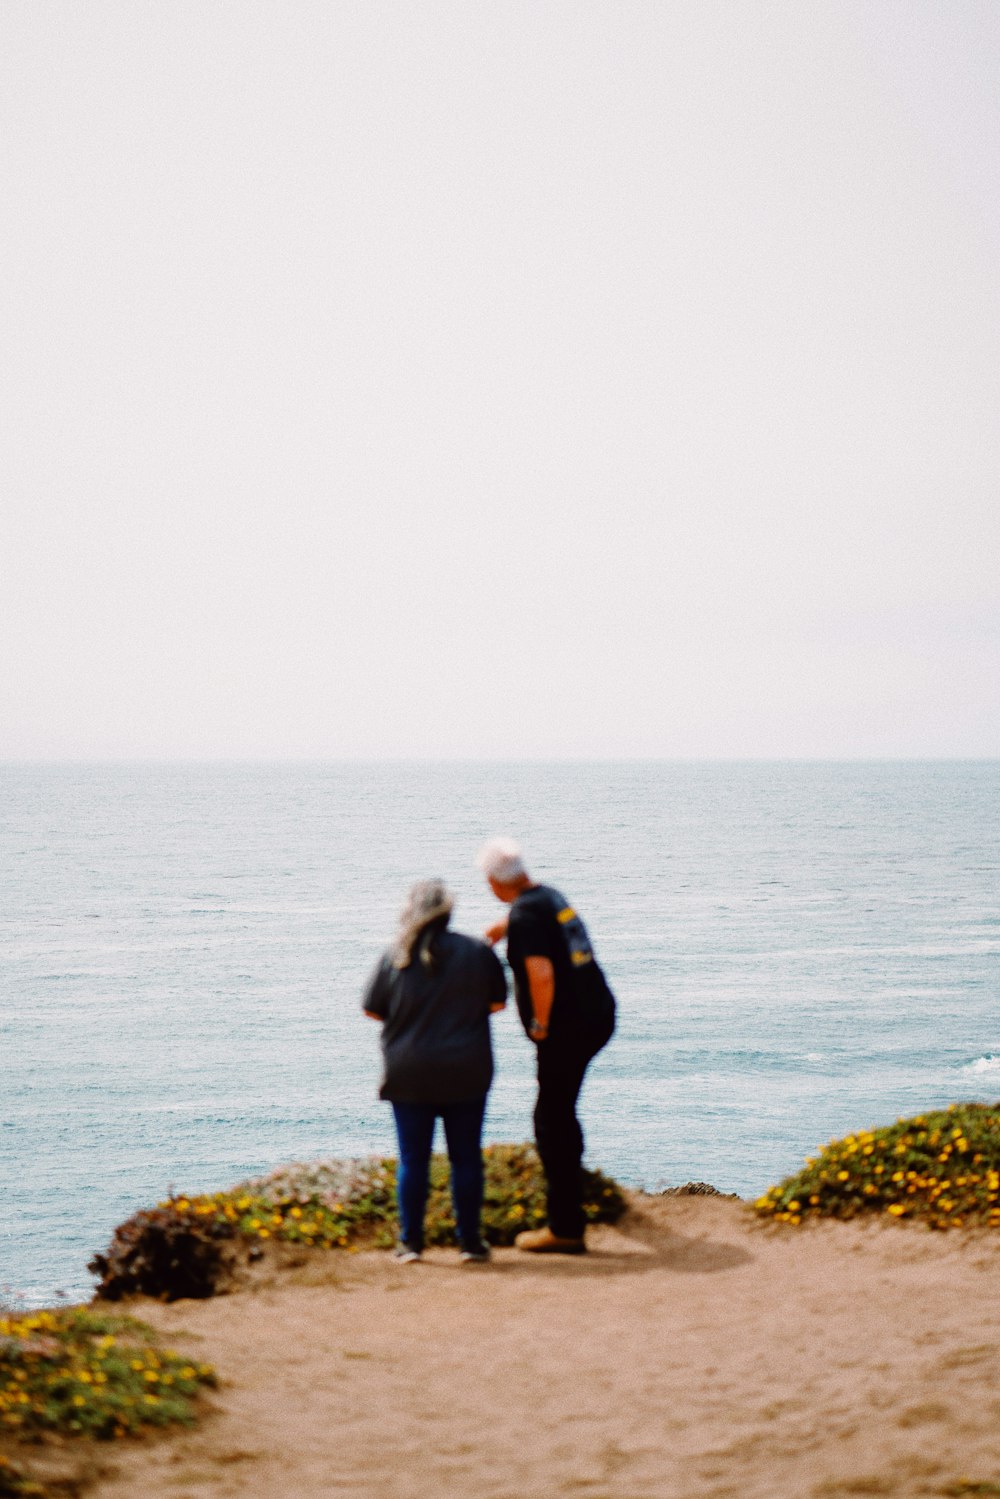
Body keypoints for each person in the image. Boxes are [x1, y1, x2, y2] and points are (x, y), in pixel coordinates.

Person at [478, 839, 616, 1254]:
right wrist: (502, 929)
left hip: (568, 1029)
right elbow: (537, 923)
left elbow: (540, 975)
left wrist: (539, 1025)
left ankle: (566, 1228)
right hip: (598, 1014)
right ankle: (572, 1203)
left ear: (492, 881)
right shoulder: (546, 895)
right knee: (560, 1111)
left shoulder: (526, 915)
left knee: (551, 1120)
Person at [363, 879, 507, 1263]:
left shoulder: (395, 955)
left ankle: (411, 1243)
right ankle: (470, 1243)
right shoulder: (477, 952)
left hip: (409, 1071)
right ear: (449, 911)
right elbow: (498, 1004)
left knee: (413, 1159)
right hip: (466, 1068)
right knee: (466, 1158)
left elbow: (372, 1009)